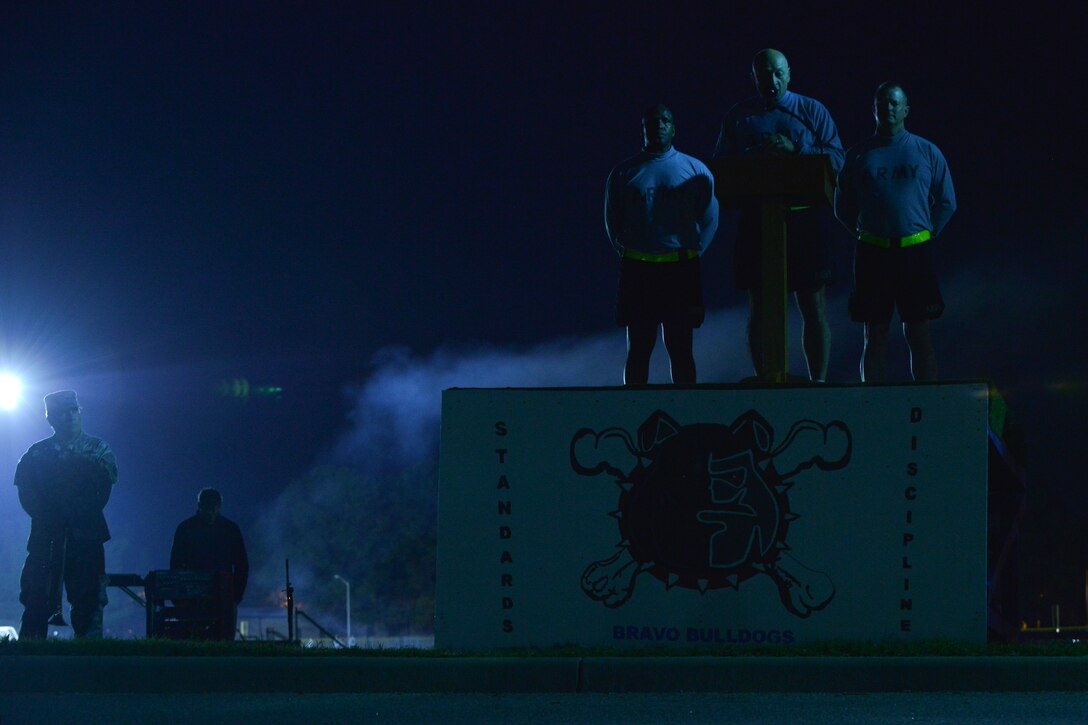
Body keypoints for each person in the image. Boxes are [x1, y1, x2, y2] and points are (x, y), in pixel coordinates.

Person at [713, 48, 844, 381]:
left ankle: (819, 381)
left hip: (803, 218)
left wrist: (797, 150)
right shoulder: (739, 117)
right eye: (763, 74)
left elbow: (837, 159)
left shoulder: (811, 110)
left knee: (812, 304)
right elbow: (721, 168)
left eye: (777, 72)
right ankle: (766, 379)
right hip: (758, 219)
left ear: (789, 73)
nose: (771, 80)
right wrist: (754, 156)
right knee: (759, 305)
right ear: (753, 78)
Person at [835, 82, 956, 382]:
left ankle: (925, 402)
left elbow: (947, 202)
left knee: (919, 332)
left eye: (893, 103)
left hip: (914, 253)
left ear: (905, 109)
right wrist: (864, 232)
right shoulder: (859, 155)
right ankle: (872, 406)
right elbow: (842, 206)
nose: (887, 108)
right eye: (881, 103)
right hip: (872, 254)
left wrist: (927, 233)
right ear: (873, 109)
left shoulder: (927, 151)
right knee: (874, 334)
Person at [605, 103, 719, 384]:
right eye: (652, 122)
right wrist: (624, 248)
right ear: (643, 128)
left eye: (665, 120)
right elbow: (612, 218)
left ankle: (685, 409)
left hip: (679, 269)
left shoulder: (695, 169)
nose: (659, 126)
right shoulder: (623, 173)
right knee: (638, 349)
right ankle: (633, 408)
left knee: (681, 348)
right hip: (639, 267)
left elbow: (710, 217)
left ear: (674, 127)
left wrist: (695, 252)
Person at [15, 390, 117, 639]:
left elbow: (102, 492)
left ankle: (90, 659)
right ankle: (30, 656)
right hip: (46, 536)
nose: (70, 417)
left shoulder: (97, 449)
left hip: (86, 537)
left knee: (89, 599)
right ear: (51, 419)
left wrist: (72, 513)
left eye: (74, 410)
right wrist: (49, 515)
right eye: (63, 413)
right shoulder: (36, 453)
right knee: (36, 595)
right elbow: (26, 493)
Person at [170, 487, 248, 639]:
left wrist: (236, 595)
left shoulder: (186, 528)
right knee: (222, 640)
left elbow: (176, 564)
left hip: (199, 593)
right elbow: (241, 564)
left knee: (196, 639)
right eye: (207, 507)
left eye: (211, 508)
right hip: (218, 593)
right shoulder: (230, 529)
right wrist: (236, 595)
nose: (209, 512)